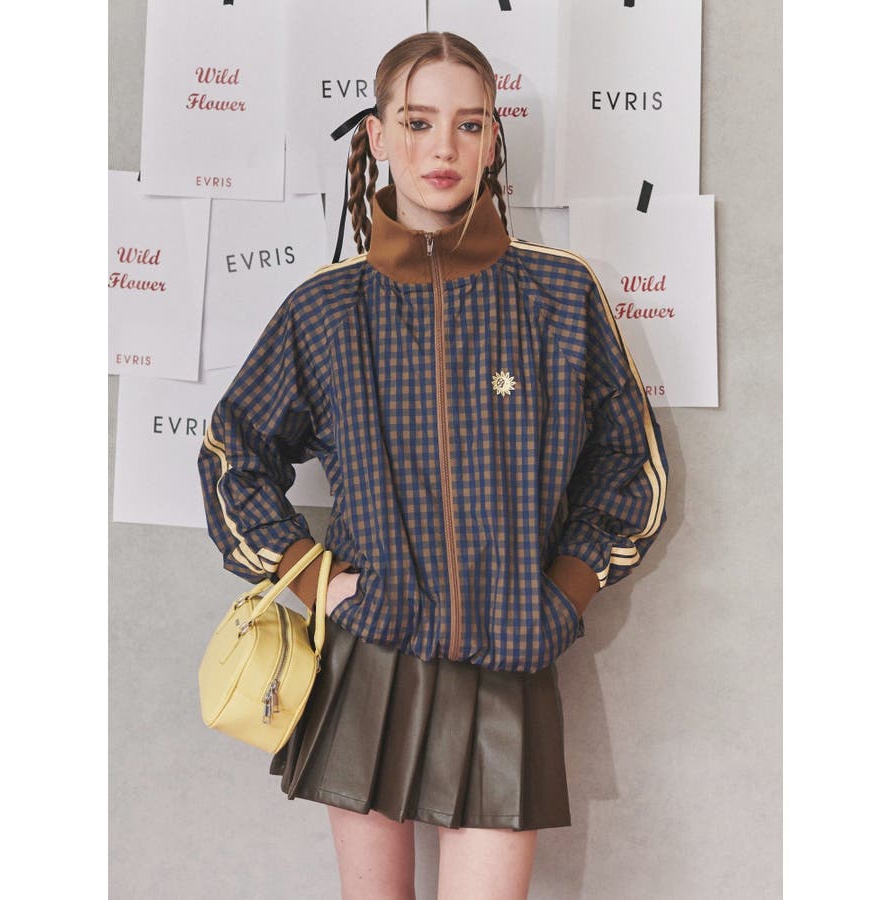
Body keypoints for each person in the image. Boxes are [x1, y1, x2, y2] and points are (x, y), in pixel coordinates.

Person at [198, 30, 668, 900]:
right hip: (369, 657)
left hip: (510, 657)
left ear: (493, 139)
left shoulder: (559, 293)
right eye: (417, 122)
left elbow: (629, 462)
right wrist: (317, 579)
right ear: (378, 136)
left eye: (468, 123)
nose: (442, 147)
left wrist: (563, 594)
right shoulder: (326, 308)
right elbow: (235, 452)